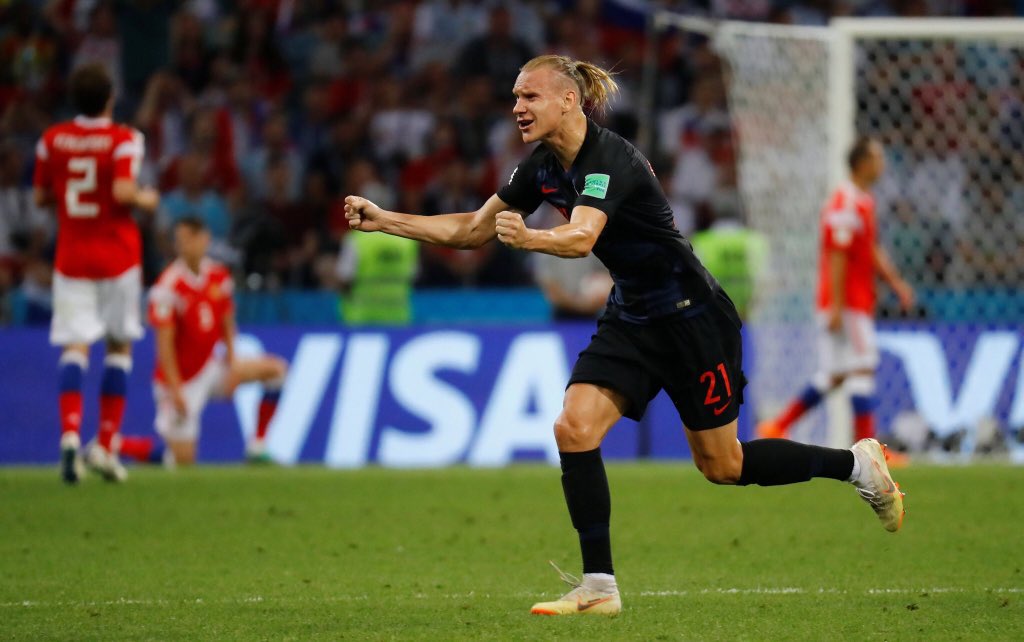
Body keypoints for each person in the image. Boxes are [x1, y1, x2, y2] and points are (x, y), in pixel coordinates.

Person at [343, 55, 905, 617]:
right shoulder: (540, 167)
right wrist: (385, 219)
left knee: (723, 466)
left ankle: (856, 465)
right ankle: (599, 586)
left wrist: (530, 238)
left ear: (568, 100)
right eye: (515, 97)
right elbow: (471, 229)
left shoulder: (610, 159)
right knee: (573, 426)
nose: (517, 107)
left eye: (529, 96)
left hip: (692, 319)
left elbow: (582, 237)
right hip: (632, 317)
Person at [32, 63, 160, 484]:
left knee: (75, 346)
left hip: (71, 256)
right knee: (119, 346)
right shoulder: (124, 139)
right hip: (117, 257)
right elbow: (123, 191)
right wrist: (146, 199)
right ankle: (105, 445)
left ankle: (70, 434)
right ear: (110, 97)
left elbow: (40, 197)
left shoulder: (52, 140)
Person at [757, 138, 915, 448]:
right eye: (877, 158)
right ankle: (869, 449)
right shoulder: (845, 204)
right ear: (862, 164)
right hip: (847, 303)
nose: (882, 164)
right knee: (862, 366)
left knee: (834, 374)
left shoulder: (863, 201)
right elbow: (837, 256)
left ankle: (777, 426)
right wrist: (837, 307)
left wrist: (895, 283)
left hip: (849, 301)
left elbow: (869, 249)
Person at [118, 217, 288, 466]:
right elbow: (164, 346)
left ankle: (257, 445)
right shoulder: (168, 286)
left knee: (276, 371)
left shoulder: (219, 276)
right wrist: (175, 390)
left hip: (210, 368)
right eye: (179, 241)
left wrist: (233, 364)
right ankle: (115, 444)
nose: (183, 246)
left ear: (204, 240)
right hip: (180, 380)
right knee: (182, 461)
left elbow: (227, 325)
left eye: (188, 239)